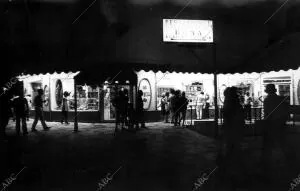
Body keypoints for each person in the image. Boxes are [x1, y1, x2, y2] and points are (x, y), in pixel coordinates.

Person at [262, 84, 288, 181]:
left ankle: (272, 166)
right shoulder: (280, 99)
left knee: (271, 144)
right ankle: (282, 163)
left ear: (267, 91)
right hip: (281, 124)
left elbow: (267, 113)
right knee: (280, 143)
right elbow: (285, 112)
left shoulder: (267, 100)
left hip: (272, 124)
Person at [221, 87, 245, 183]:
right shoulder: (236, 101)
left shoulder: (229, 102)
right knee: (235, 146)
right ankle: (236, 169)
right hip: (236, 126)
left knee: (231, 146)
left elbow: (227, 114)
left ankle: (231, 171)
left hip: (231, 126)